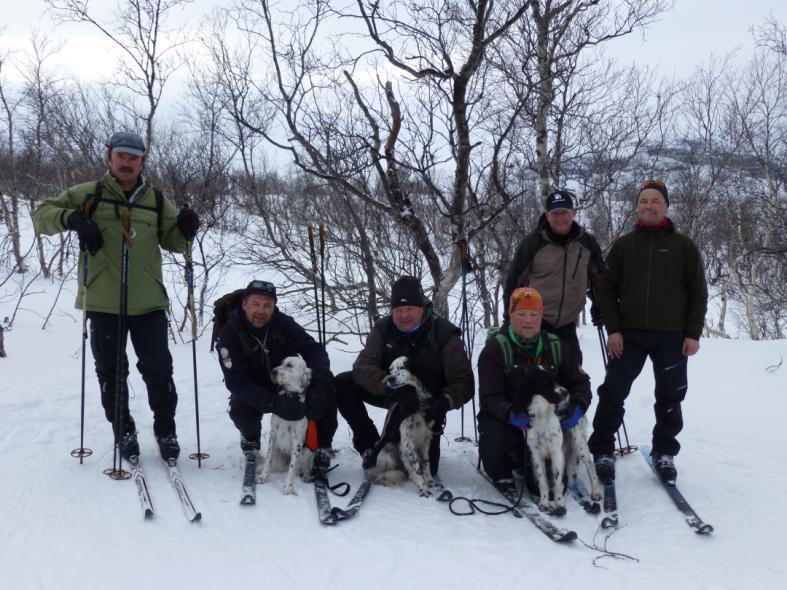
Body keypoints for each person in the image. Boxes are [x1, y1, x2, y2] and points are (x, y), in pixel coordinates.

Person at [33, 131, 200, 461]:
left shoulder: (154, 199)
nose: (127, 162)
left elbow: (174, 242)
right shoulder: (88, 194)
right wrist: (74, 219)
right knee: (111, 373)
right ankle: (123, 430)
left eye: (134, 157)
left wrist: (186, 229)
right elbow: (41, 217)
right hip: (103, 302)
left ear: (142, 161)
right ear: (109, 157)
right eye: (121, 156)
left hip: (148, 302)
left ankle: (165, 430)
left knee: (159, 371)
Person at [589, 179, 708, 483]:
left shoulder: (683, 246)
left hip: (672, 336)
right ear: (637, 207)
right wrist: (614, 330)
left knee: (670, 397)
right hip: (628, 335)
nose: (649, 206)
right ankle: (603, 449)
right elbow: (607, 291)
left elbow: (698, 293)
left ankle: (664, 452)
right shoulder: (625, 246)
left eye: (655, 200)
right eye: (644, 201)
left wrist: (693, 333)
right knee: (613, 393)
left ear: (666, 206)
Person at [327, 276, 474, 473]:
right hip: (394, 393)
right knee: (344, 383)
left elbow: (464, 382)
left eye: (410, 309)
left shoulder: (444, 333)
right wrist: (389, 384)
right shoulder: (383, 329)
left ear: (422, 307)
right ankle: (369, 445)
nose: (404, 315)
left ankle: (416, 443)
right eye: (398, 310)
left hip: (428, 404)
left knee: (427, 467)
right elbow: (362, 367)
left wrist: (443, 403)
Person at [477, 287, 592, 490]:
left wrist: (578, 406)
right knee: (493, 430)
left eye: (533, 314)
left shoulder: (557, 346)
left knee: (541, 488)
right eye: (521, 314)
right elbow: (489, 397)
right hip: (512, 420)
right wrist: (510, 413)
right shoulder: (495, 349)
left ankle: (547, 466)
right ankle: (505, 469)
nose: (528, 320)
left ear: (541, 316)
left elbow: (580, 383)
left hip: (549, 423)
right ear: (510, 315)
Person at [215, 279, 333, 467]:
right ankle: (251, 439)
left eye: (267, 305)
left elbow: (314, 350)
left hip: (289, 382)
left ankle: (321, 445)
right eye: (256, 304)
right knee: (240, 407)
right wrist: (272, 402)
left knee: (325, 390)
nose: (261, 311)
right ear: (245, 304)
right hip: (253, 386)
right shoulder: (230, 333)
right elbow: (235, 381)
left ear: (274, 307)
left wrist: (318, 380)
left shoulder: (283, 324)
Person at [503, 189, 605, 364]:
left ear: (573, 213)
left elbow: (599, 279)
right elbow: (513, 282)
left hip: (567, 326)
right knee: (535, 381)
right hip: (535, 324)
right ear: (547, 216)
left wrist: (601, 306)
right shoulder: (533, 243)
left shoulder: (587, 243)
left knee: (574, 378)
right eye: (554, 213)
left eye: (564, 212)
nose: (559, 218)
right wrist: (508, 318)